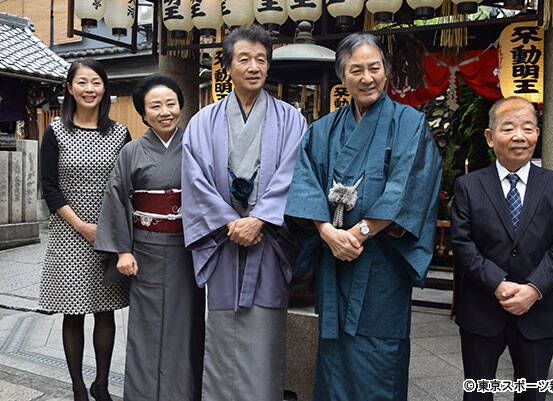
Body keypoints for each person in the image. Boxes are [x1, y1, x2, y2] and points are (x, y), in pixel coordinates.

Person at [284, 33, 442, 401]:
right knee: (333, 354)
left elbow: (409, 185)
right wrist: (326, 231)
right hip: (335, 260)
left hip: (382, 263)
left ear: (386, 72)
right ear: (343, 76)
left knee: (381, 354)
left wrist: (359, 232)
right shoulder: (322, 129)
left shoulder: (409, 123)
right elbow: (304, 182)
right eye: (356, 70)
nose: (366, 77)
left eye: (374, 68)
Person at [181, 24, 307, 401]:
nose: (254, 67)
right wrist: (229, 222)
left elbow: (294, 171)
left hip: (267, 239)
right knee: (222, 332)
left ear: (268, 66)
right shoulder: (203, 121)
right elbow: (195, 180)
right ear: (228, 66)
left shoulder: (291, 120)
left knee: (264, 334)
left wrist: (261, 218)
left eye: (261, 60)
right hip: (224, 241)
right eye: (244, 59)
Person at [451, 96, 553, 401]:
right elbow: (462, 243)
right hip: (482, 308)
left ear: (537, 133)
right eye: (508, 128)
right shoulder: (468, 186)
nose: (519, 137)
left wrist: (534, 289)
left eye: (528, 128)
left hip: (540, 309)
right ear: (490, 137)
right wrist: (496, 283)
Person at [94, 74, 204, 401]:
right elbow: (115, 198)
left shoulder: (198, 147)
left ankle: (184, 394)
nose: (165, 111)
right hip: (146, 250)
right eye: (155, 106)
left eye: (171, 104)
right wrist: (121, 251)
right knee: (145, 329)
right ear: (143, 113)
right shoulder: (131, 151)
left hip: (187, 249)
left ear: (181, 107)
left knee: (186, 328)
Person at [40, 58, 130, 401]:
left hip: (108, 232)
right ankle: (78, 388)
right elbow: (49, 186)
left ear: (104, 87)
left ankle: (102, 385)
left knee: (105, 310)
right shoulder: (55, 131)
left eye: (95, 82)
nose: (89, 89)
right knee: (73, 310)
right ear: (69, 88)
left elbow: (126, 187)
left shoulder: (120, 133)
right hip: (68, 232)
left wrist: (109, 231)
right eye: (82, 82)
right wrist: (80, 225)